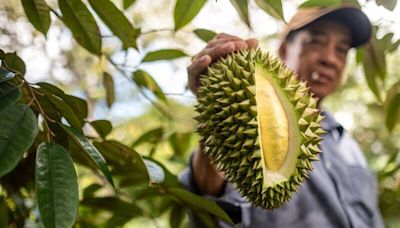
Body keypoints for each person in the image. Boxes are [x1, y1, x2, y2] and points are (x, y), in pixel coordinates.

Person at [180, 5, 384, 228]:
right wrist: (216, 111)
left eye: (341, 50)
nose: (330, 59)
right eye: (315, 41)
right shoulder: (244, 103)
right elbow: (210, 205)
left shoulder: (349, 146)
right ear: (285, 50)